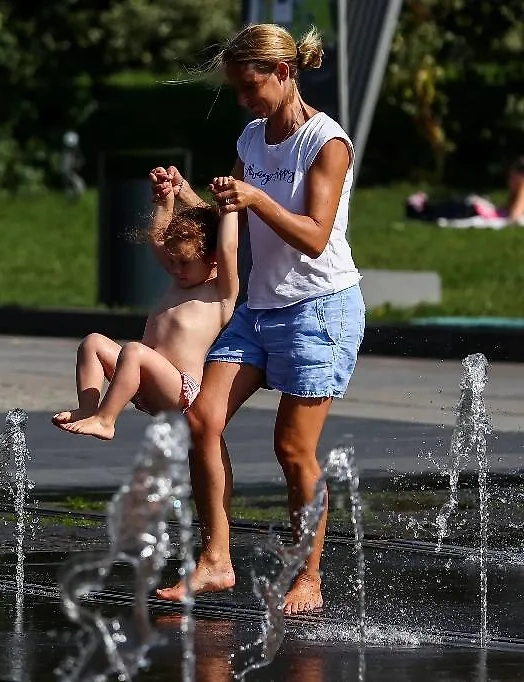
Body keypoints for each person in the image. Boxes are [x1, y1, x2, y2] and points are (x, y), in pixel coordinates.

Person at [154, 23, 366, 615]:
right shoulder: (252, 138)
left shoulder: (326, 142)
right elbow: (233, 216)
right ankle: (217, 561)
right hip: (261, 306)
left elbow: (315, 237)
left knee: (293, 449)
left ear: (284, 72)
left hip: (319, 308)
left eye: (251, 87)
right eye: (237, 90)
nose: (244, 100)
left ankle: (310, 578)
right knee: (202, 418)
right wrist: (185, 195)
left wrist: (257, 199)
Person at [52, 175, 240, 440]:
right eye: (172, 261)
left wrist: (229, 207)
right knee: (92, 343)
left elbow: (228, 248)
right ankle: (88, 410)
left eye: (185, 263)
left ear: (212, 259)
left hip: (178, 390)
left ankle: (106, 420)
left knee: (134, 350)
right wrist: (165, 200)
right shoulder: (180, 279)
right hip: (141, 379)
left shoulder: (220, 293)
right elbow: (157, 237)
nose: (176, 269)